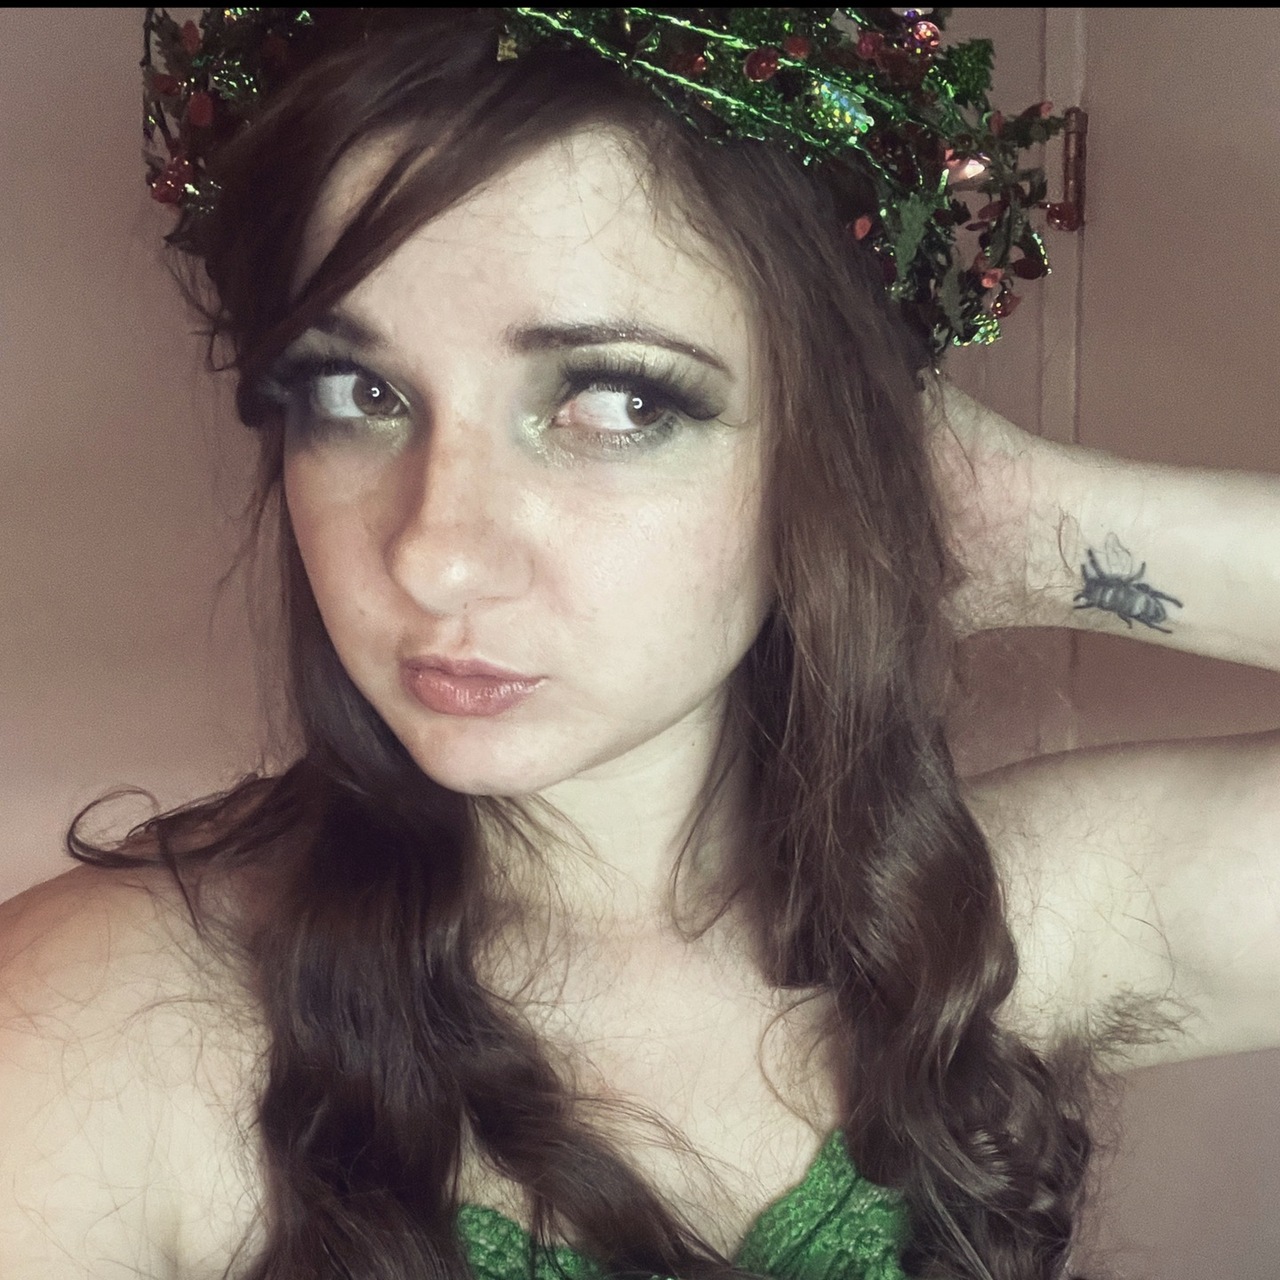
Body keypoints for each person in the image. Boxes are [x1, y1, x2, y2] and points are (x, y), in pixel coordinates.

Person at [0, 9, 1276, 1279]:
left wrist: (1030, 525)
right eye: (357, 391)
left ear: (813, 442)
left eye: (614, 398)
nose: (433, 555)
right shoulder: (95, 1031)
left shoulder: (990, 929)